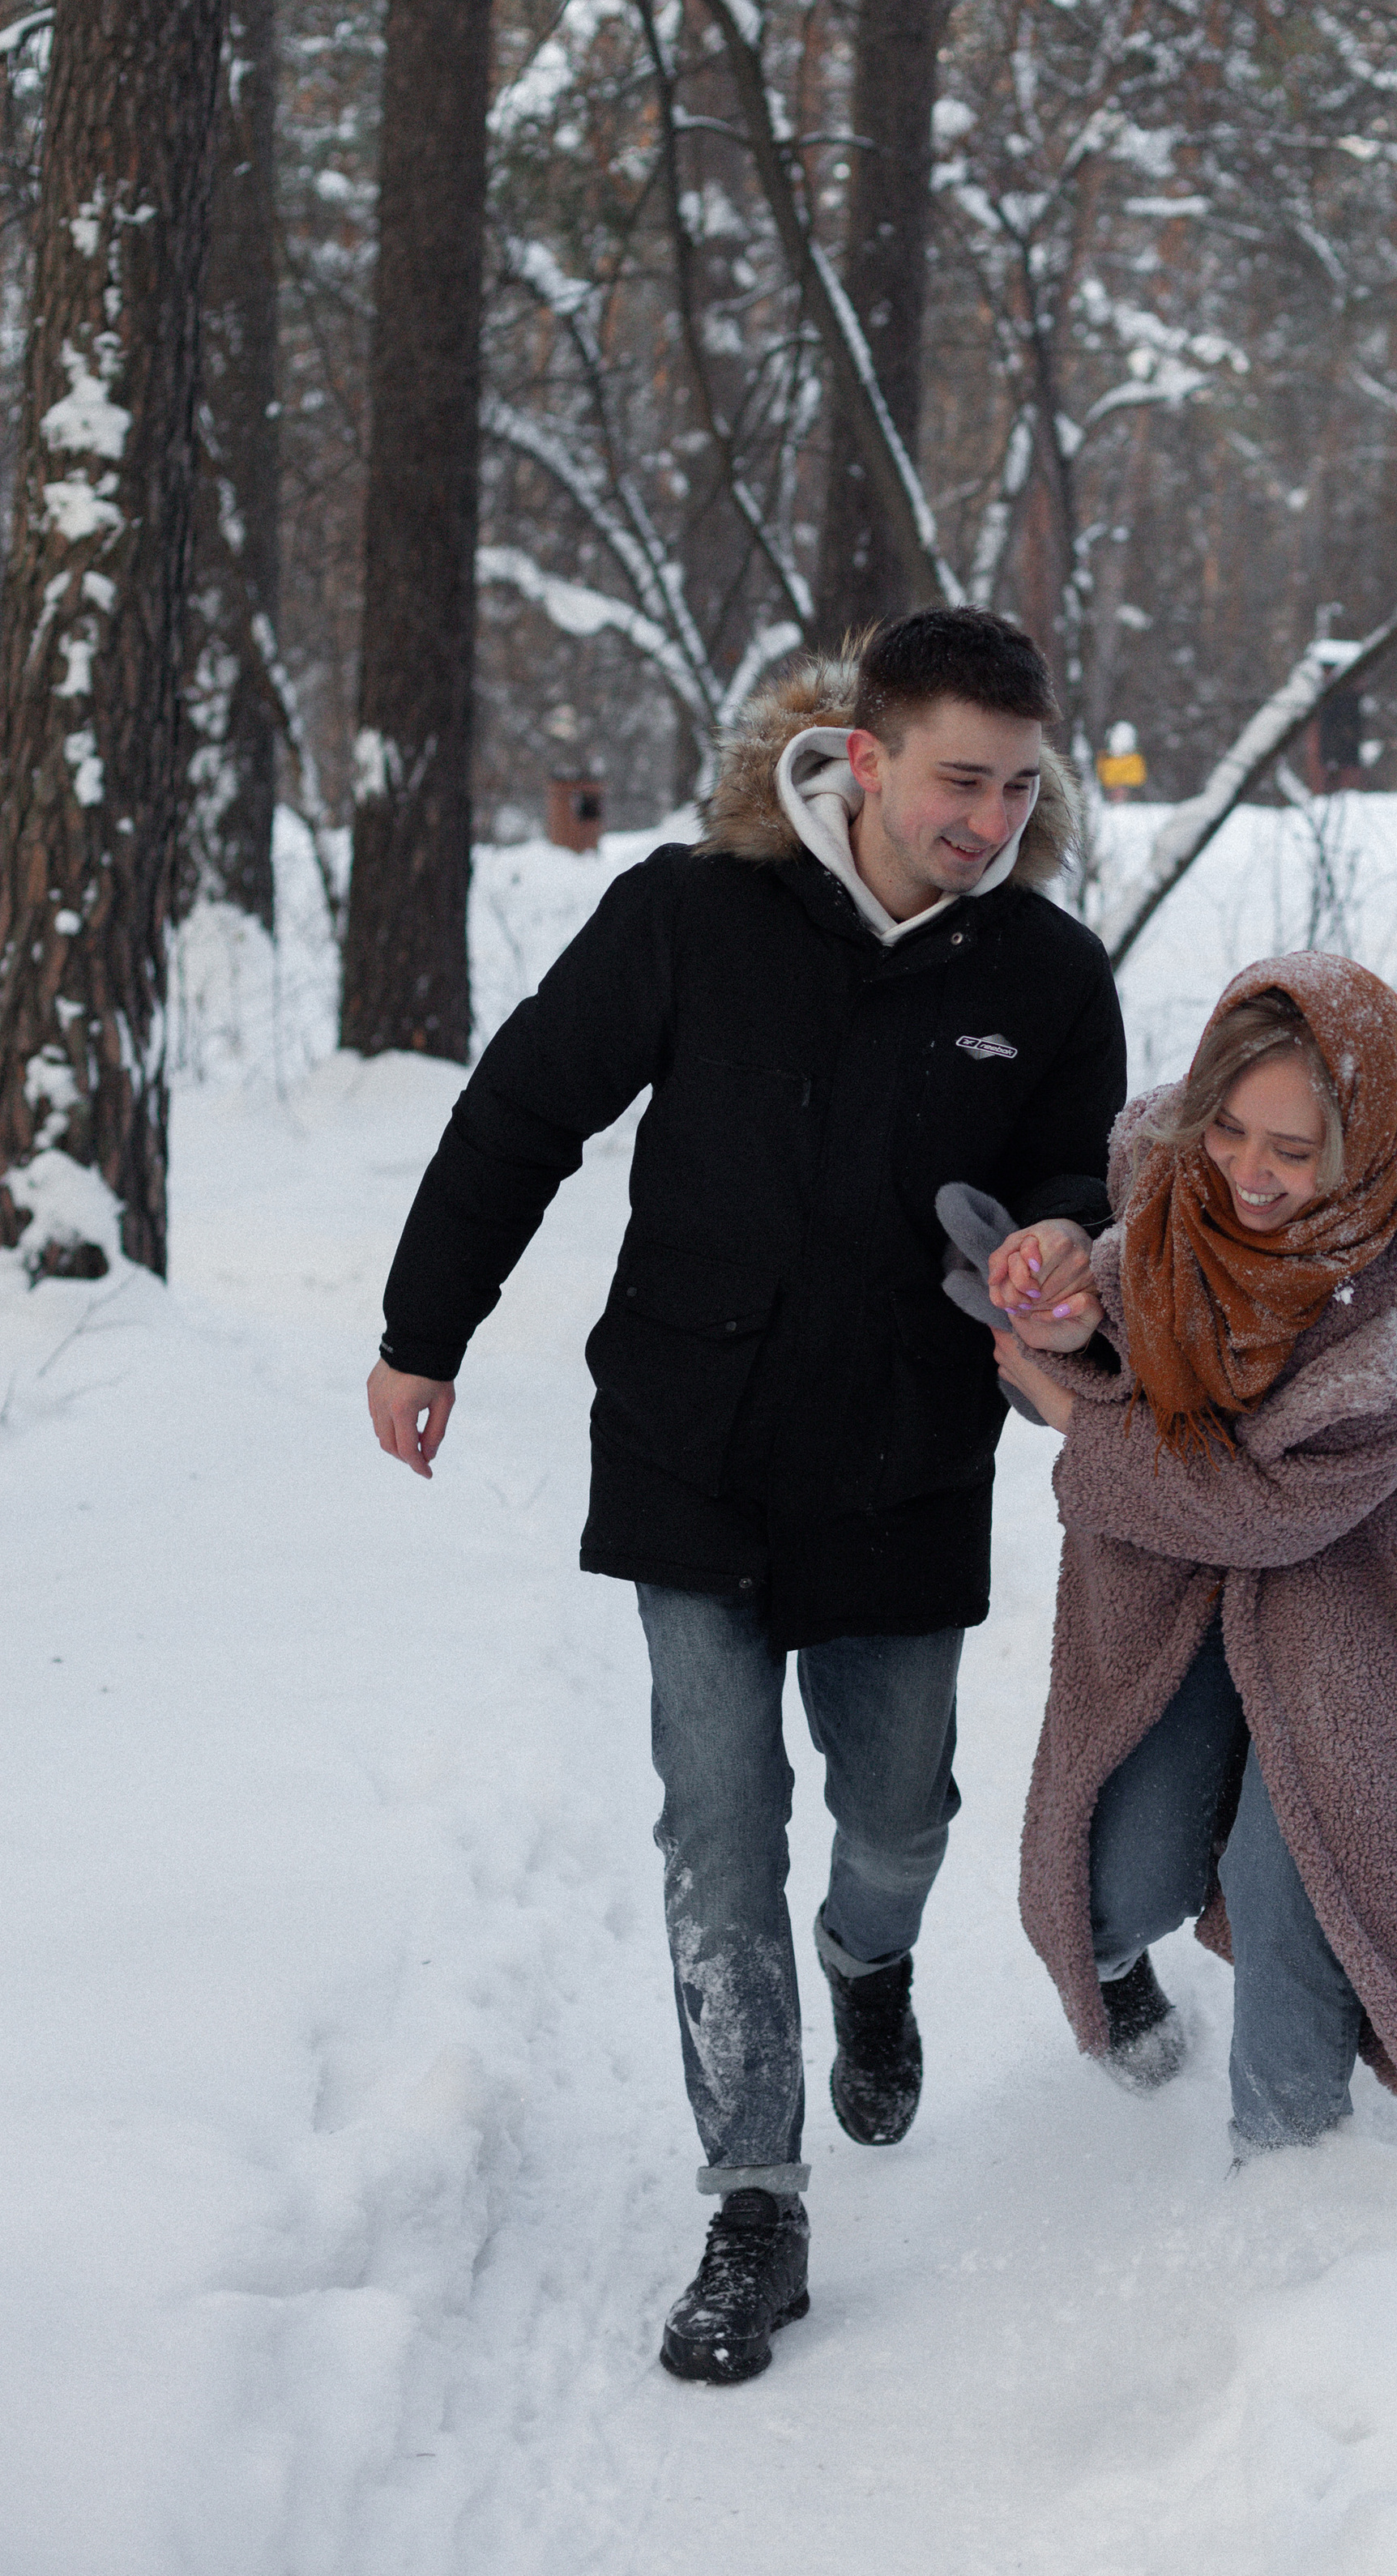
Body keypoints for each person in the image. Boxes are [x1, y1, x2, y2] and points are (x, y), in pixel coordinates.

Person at [365, 609, 1126, 2382]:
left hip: (901, 1458)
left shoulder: (1044, 973)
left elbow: (1071, 1180)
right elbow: (524, 1109)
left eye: (1017, 788)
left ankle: (871, 1962)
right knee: (715, 1828)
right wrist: (425, 1330)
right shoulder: (689, 916)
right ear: (858, 758)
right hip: (691, 1444)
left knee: (900, 1813)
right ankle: (754, 2205)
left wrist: (1058, 1252)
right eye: (956, 780)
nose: (987, 820)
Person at [996, 952, 1397, 2164]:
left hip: (1369, 1610)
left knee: (1296, 1886)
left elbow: (1277, 1509)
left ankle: (1286, 2203)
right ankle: (1129, 1980)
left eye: (1294, 1151)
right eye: (1231, 1129)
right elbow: (1123, 1338)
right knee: (1117, 1882)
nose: (1250, 1174)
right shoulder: (1166, 1176)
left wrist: (1078, 1420)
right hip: (1187, 1586)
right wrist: (1071, 1319)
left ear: (1365, 1140)